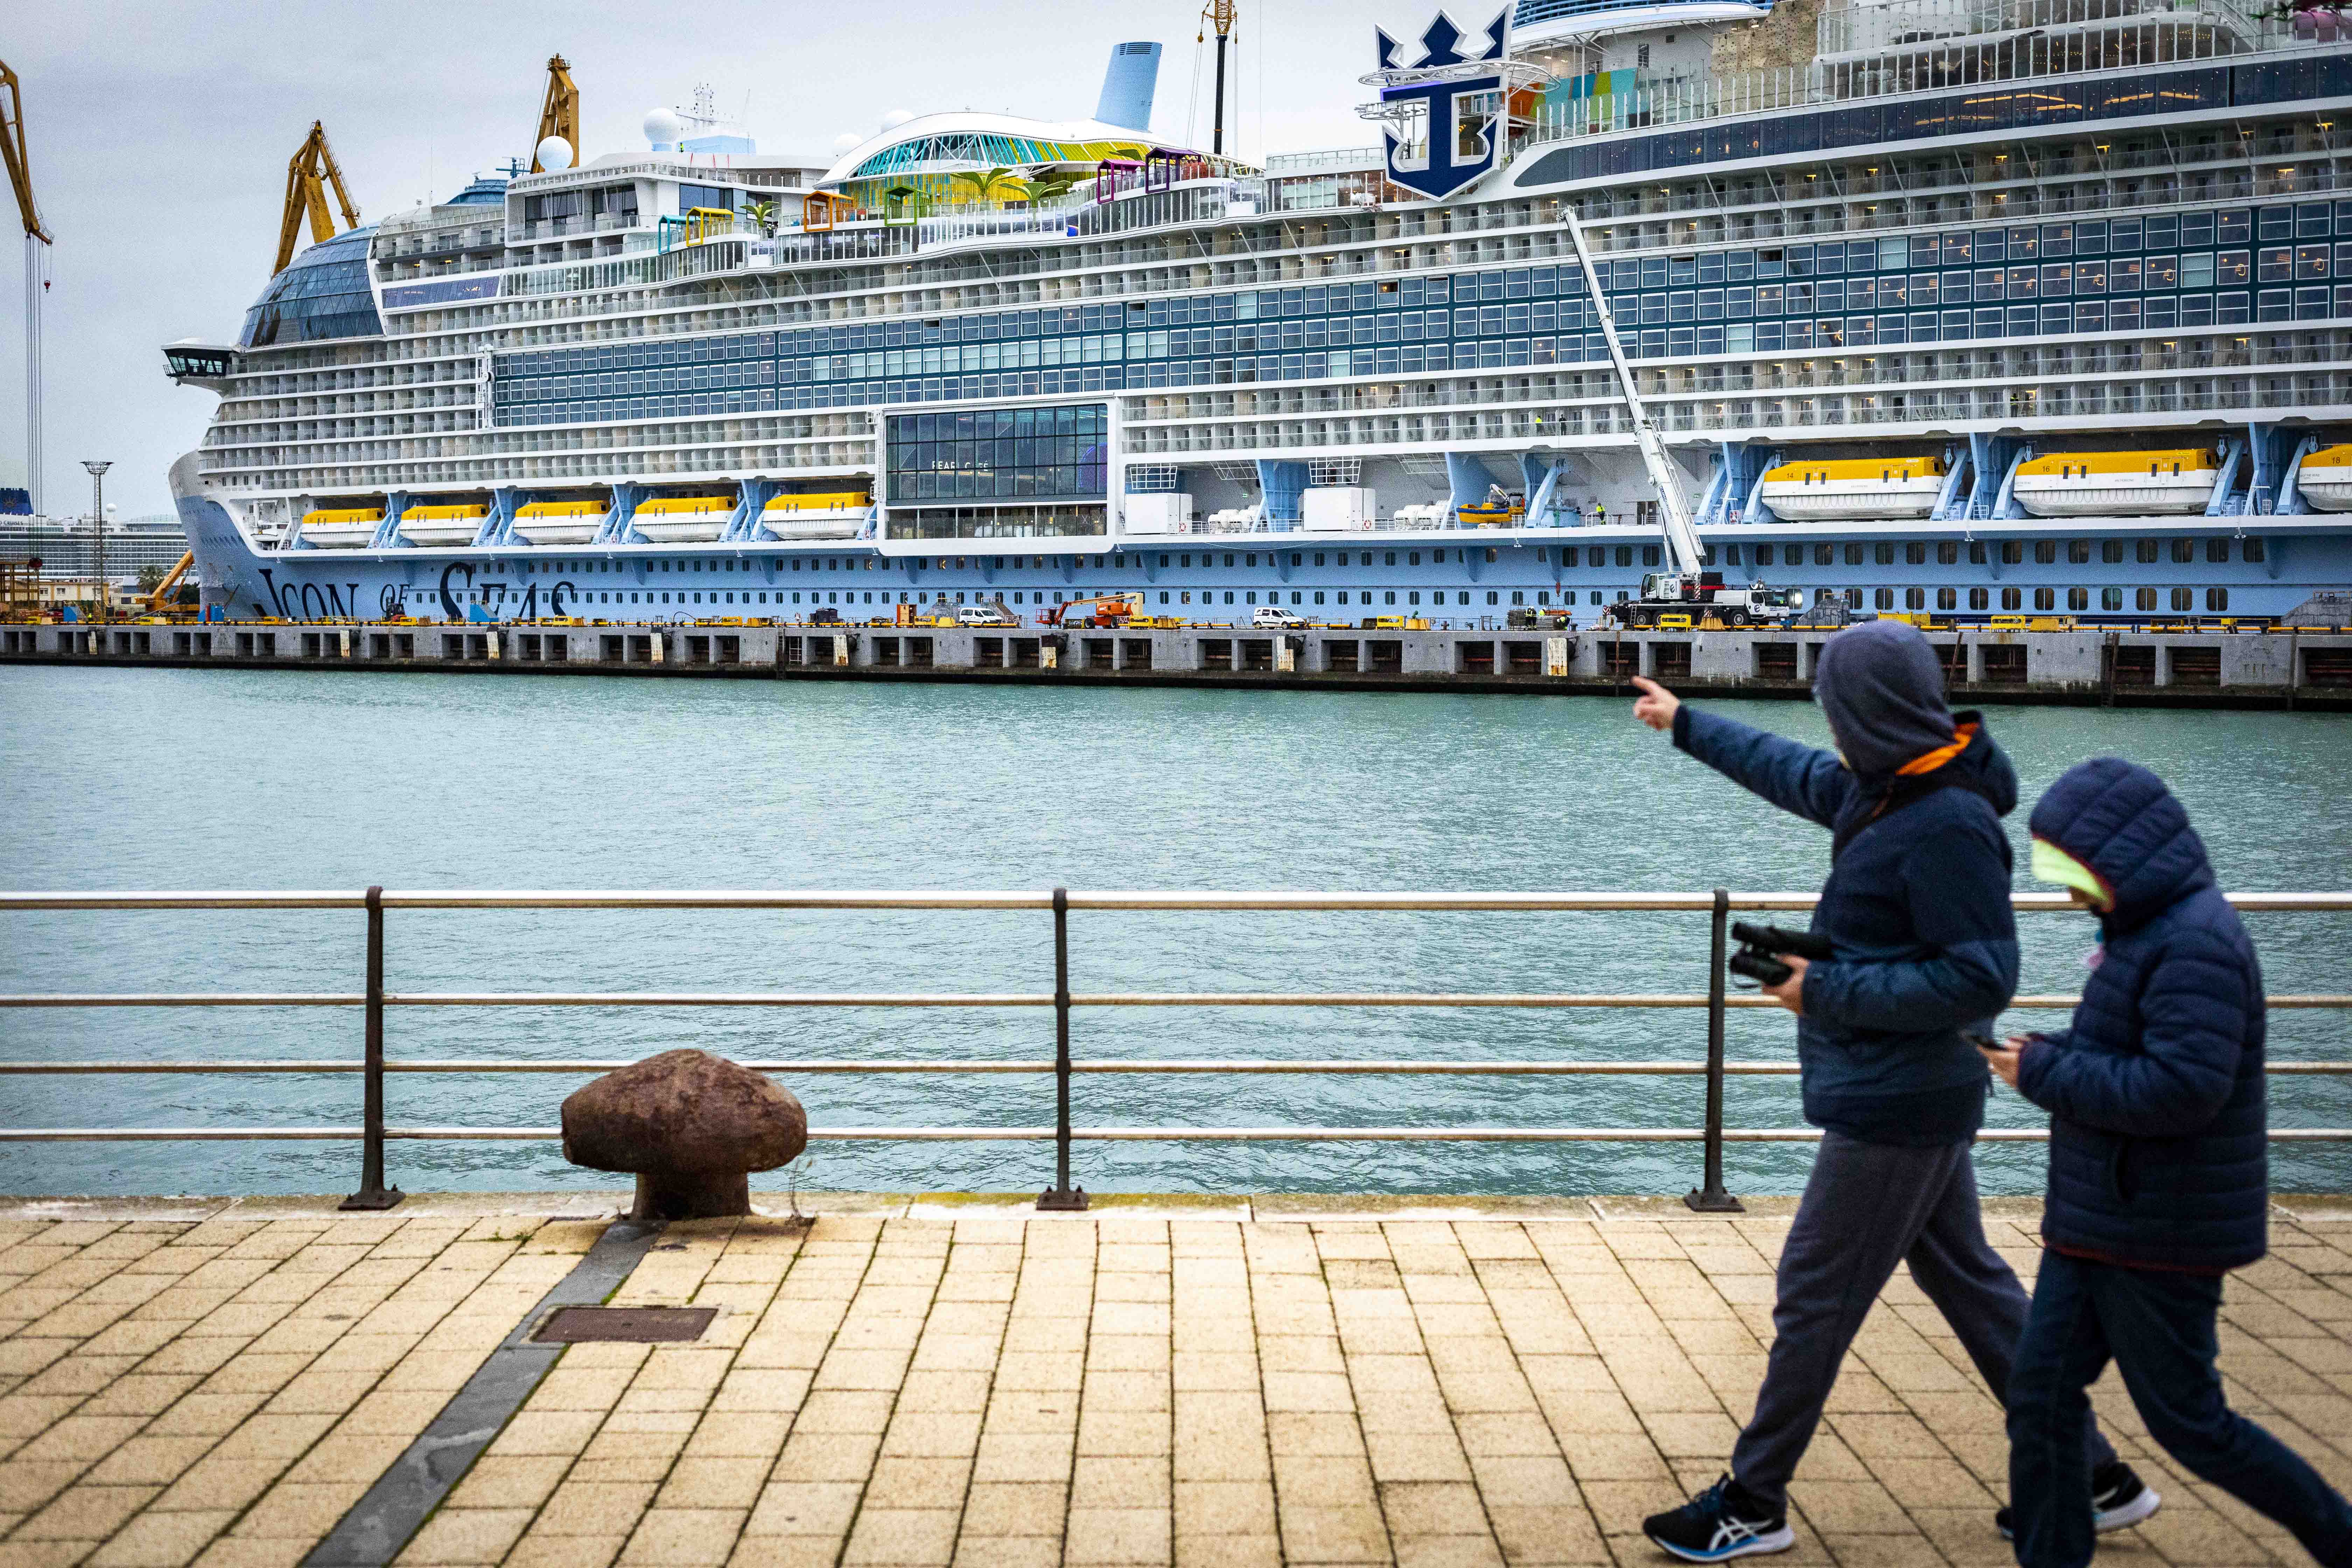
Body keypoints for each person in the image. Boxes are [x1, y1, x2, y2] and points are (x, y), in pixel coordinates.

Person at [1629, 621, 2144, 1562]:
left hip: (1900, 1101)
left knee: (1813, 1293)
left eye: (1836, 708)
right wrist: (1685, 722)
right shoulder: (1885, 785)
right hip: (1913, 1092)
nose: (1827, 726)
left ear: (1873, 714)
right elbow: (1790, 771)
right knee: (1973, 1284)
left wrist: (1822, 989)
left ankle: (1755, 1499)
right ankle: (2091, 1474)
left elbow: (1982, 978)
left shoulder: (1948, 825)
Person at [1984, 758, 2352, 1568]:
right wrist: (2047, 1050)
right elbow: (2125, 1046)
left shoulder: (2195, 944)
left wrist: (2042, 1073)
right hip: (2100, 1219)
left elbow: (2182, 1091)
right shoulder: (2143, 930)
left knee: (2191, 1422)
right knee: (2041, 1398)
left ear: (2118, 859)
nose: (2066, 894)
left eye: (2074, 875)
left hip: (2161, 1229)